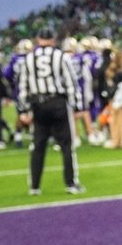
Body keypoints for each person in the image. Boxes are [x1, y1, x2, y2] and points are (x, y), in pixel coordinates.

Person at [16, 23, 84, 195]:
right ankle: (71, 183)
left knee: (38, 146)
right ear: (53, 40)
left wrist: (23, 110)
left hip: (38, 105)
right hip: (57, 103)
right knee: (67, 146)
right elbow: (71, 83)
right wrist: (77, 106)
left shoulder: (29, 59)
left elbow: (22, 86)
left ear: (38, 40)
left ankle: (34, 186)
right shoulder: (61, 56)